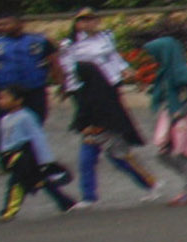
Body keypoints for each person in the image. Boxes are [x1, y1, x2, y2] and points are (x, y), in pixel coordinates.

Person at [59, 11, 157, 204]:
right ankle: (89, 195)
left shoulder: (105, 37)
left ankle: (148, 183)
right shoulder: (70, 44)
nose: (89, 24)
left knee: (111, 151)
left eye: (91, 19)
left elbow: (113, 57)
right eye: (83, 20)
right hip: (86, 89)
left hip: (108, 89)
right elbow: (68, 69)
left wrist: (126, 70)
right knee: (96, 152)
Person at [141, 32, 187, 201]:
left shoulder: (180, 72)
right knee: (167, 153)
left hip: (182, 118)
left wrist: (180, 113)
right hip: (171, 116)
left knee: (180, 153)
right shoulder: (167, 71)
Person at [0, 86, 80, 219]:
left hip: (24, 155)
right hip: (11, 156)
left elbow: (38, 137)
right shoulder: (5, 119)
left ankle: (8, 211)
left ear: (18, 100)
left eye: (5, 98)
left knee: (16, 182)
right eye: (0, 98)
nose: (1, 101)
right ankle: (66, 203)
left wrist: (45, 159)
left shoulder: (26, 117)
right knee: (40, 180)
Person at [0, 13, 57, 125]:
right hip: (5, 89)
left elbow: (54, 62)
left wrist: (61, 82)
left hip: (34, 88)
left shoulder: (39, 41)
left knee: (36, 120)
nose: (1, 27)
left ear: (19, 24)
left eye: (5, 24)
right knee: (6, 124)